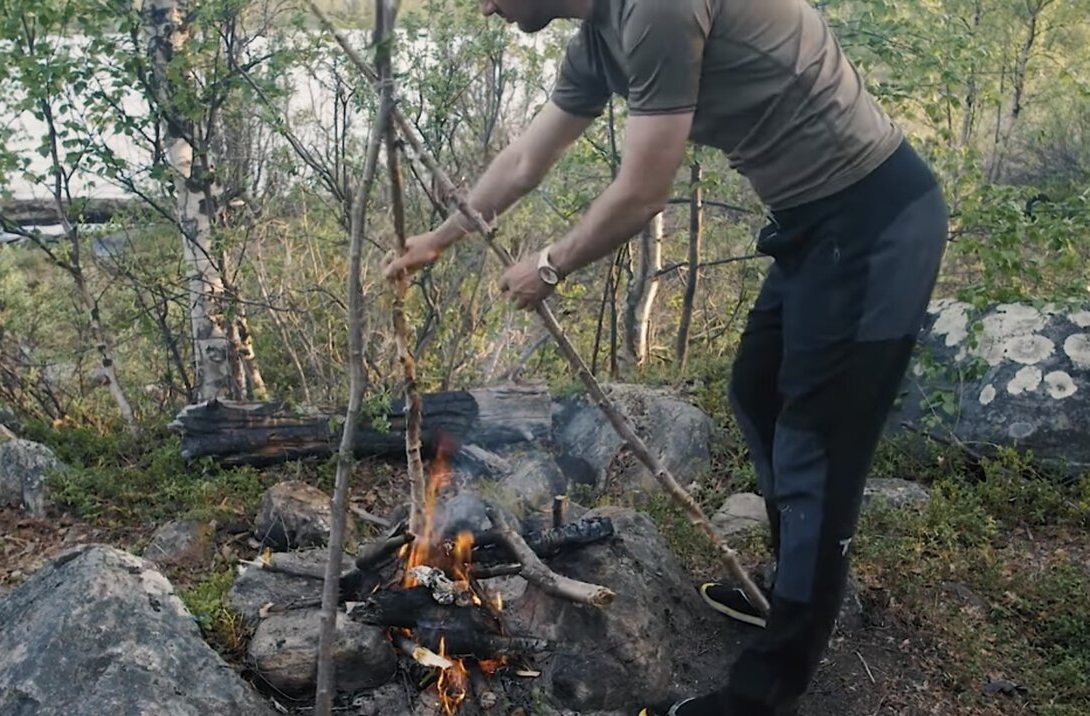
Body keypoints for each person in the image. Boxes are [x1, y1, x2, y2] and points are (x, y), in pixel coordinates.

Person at [383, 0, 950, 712]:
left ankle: (767, 689)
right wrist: (439, 239)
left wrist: (553, 265)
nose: (485, 5)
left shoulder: (654, 8)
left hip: (875, 221)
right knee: (758, 394)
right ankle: (791, 587)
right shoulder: (600, 36)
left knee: (816, 449)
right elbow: (529, 156)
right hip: (812, 226)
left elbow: (646, 189)